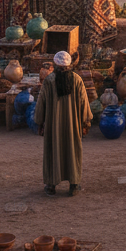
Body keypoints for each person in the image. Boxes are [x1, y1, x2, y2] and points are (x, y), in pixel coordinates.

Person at [34, 50, 91, 196]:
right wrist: (86, 122)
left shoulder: (49, 80)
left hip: (54, 126)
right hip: (73, 126)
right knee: (73, 151)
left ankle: (51, 185)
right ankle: (74, 185)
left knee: (53, 151)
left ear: (55, 64)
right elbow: (84, 103)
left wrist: (39, 122)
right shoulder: (77, 79)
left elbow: (41, 103)